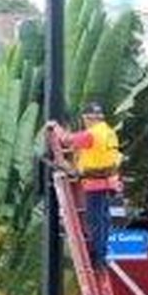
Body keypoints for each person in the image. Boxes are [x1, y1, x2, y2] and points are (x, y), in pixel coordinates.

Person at [49, 101, 122, 268]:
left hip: (95, 183)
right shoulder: (108, 132)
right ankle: (102, 256)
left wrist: (55, 127)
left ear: (88, 118)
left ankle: (98, 258)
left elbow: (67, 140)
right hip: (109, 182)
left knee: (95, 221)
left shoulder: (91, 134)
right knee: (103, 220)